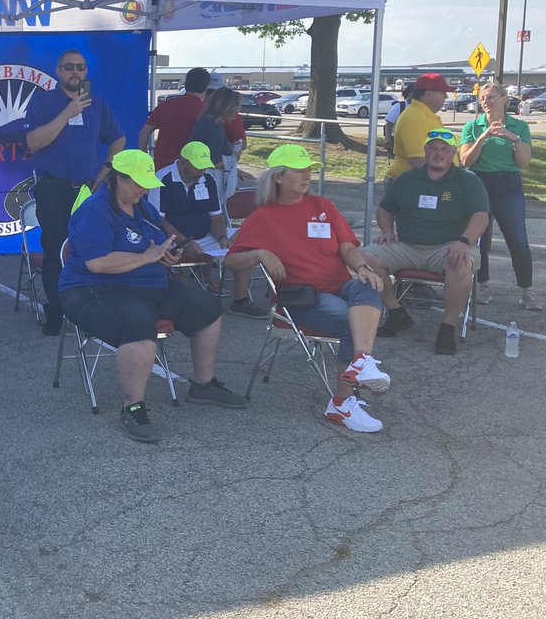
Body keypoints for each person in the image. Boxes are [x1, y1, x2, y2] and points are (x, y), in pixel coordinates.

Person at [58, 149, 246, 445]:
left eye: (147, 183)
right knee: (139, 323)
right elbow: (98, 263)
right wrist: (147, 257)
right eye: (139, 183)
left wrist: (169, 254)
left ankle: (203, 385)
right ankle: (132, 407)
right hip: (92, 289)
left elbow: (157, 242)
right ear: (120, 179)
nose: (145, 189)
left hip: (147, 285)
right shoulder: (95, 210)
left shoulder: (142, 206)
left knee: (208, 308)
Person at [224, 145, 392, 433]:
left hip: (339, 285)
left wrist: (362, 268)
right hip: (301, 297)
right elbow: (232, 261)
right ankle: (342, 402)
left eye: (309, 170)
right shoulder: (263, 217)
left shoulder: (322, 206)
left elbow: (347, 247)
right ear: (277, 177)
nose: (307, 176)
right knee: (351, 321)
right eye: (299, 171)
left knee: (369, 285)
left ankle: (361, 361)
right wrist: (260, 254)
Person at [24, 49, 126, 336]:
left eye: (80, 68)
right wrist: (67, 113)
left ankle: (89, 306)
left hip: (87, 190)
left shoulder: (96, 105)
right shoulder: (44, 103)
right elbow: (33, 142)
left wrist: (106, 169)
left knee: (92, 247)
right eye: (69, 67)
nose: (76, 73)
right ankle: (56, 312)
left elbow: (118, 138)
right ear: (58, 71)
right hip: (54, 189)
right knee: (56, 250)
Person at [365, 131, 491, 355]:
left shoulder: (468, 181)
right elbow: (385, 209)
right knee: (364, 258)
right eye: (433, 148)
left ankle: (447, 327)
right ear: (425, 151)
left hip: (448, 245)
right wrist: (387, 231)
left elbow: (481, 216)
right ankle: (396, 313)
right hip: (406, 245)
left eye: (444, 149)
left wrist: (464, 242)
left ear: (453, 152)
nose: (438, 153)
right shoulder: (407, 179)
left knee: (461, 263)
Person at [148, 141, 270, 318]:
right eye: (197, 167)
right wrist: (183, 242)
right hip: (174, 238)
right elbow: (158, 220)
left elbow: (217, 217)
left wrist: (221, 237)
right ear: (182, 162)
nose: (201, 172)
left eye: (204, 167)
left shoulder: (208, 179)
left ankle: (241, 300)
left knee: (246, 242)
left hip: (207, 235)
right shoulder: (162, 179)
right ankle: (182, 289)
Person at [459, 81, 540, 310]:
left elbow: (523, 163)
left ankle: (526, 290)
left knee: (517, 239)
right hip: (479, 183)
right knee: (479, 239)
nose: (486, 101)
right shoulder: (473, 126)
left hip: (508, 184)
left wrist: (512, 137)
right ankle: (483, 285)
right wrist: (482, 138)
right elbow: (466, 161)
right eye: (483, 98)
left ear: (505, 99)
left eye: (492, 97)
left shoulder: (519, 126)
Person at [138, 66, 211, 168]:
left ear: (186, 84)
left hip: (161, 166)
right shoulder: (205, 112)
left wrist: (145, 160)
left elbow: (144, 133)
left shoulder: (165, 105)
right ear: (206, 87)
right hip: (189, 168)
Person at [385, 73, 448, 182]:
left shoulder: (424, 115)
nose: (446, 96)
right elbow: (418, 161)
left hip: (418, 182)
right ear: (428, 94)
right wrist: (442, 181)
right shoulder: (415, 118)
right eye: (443, 93)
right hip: (412, 184)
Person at [189, 86, 241, 181]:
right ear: (229, 108)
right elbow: (214, 162)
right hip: (209, 177)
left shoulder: (206, 120)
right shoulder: (214, 127)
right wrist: (233, 161)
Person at [383, 85, 414, 159]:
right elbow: (389, 125)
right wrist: (388, 140)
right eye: (415, 92)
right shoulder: (399, 106)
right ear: (409, 93)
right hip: (398, 143)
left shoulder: (421, 108)